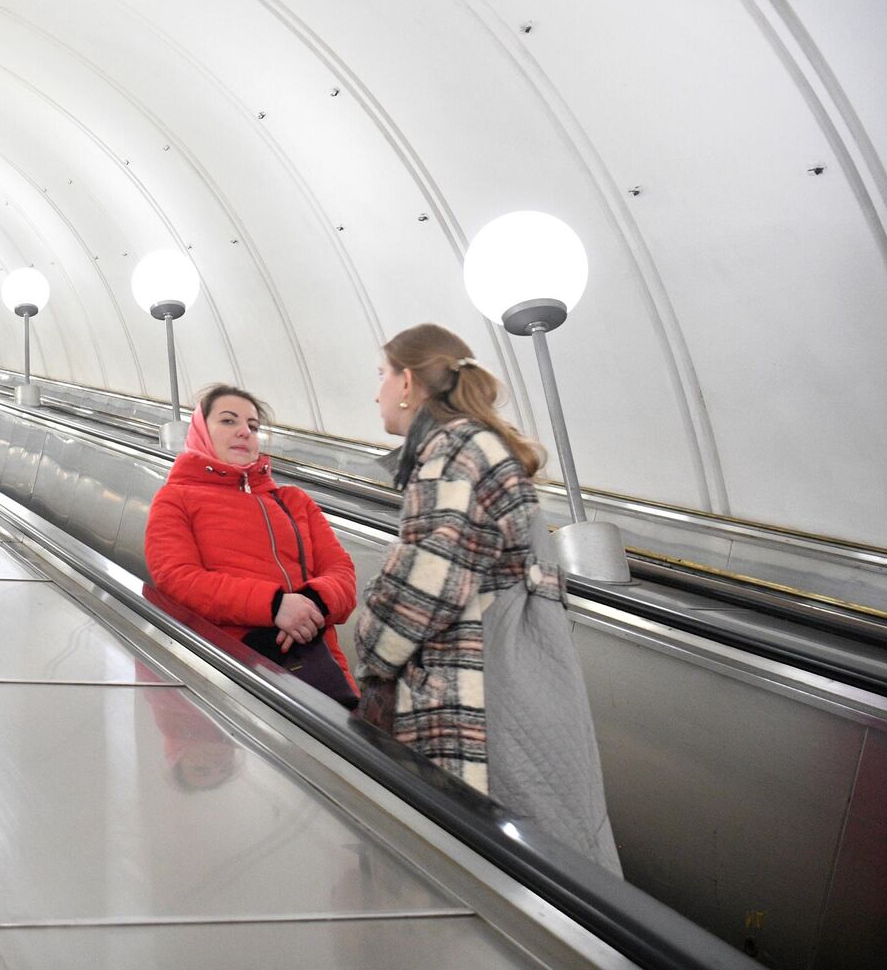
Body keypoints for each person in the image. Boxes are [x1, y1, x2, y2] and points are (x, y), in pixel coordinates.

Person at [354, 323, 620, 873]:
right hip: (511, 673)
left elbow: (420, 592)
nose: (375, 390)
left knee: (518, 861)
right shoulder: (473, 447)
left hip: (486, 690)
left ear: (408, 382)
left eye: (381, 375)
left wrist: (369, 636)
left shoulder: (453, 454)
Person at [144, 384, 359, 707]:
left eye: (253, 426)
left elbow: (342, 572)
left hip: (318, 668)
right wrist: (274, 607)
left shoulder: (294, 500)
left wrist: (307, 604)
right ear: (201, 430)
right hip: (229, 673)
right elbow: (178, 580)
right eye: (228, 421)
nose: (244, 432)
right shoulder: (175, 500)